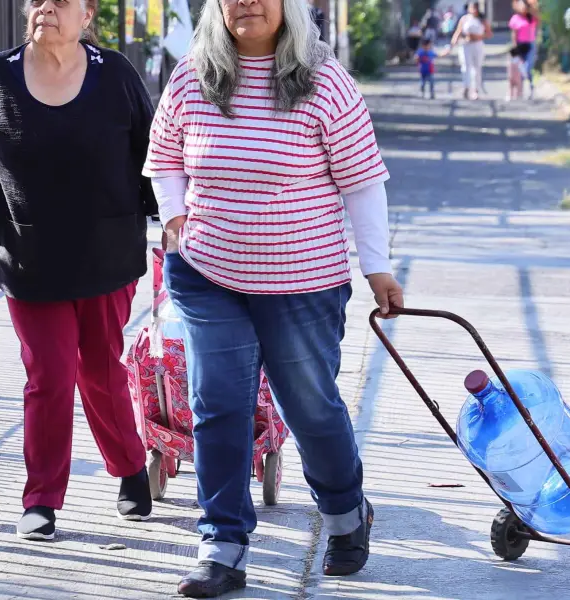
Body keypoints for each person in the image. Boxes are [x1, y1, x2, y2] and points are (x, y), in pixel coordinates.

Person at [144, 0, 404, 596]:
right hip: (208, 272)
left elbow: (363, 182)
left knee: (306, 405)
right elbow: (164, 159)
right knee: (220, 405)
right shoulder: (194, 74)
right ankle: (223, 544)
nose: (246, 2)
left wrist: (377, 269)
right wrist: (176, 214)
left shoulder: (323, 79)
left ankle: (345, 514)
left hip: (302, 281)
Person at [0, 0, 159, 541]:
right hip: (28, 257)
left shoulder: (115, 75)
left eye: (61, 1)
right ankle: (41, 497)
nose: (45, 7)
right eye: (37, 0)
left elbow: (154, 153)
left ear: (87, 16)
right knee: (49, 374)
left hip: (105, 253)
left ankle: (130, 468)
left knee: (100, 369)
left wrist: (177, 219)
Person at [452, 2, 491, 100]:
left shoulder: (482, 20)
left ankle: (476, 89)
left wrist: (478, 36)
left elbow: (489, 34)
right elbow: (458, 31)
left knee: (477, 68)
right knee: (465, 66)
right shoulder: (464, 19)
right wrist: (453, 41)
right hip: (466, 45)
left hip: (477, 45)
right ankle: (466, 87)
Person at [508, 0, 540, 97]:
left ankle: (531, 87)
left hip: (530, 45)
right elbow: (514, 34)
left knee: (528, 68)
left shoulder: (532, 18)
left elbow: (538, 17)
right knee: (518, 68)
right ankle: (519, 91)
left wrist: (531, 7)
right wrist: (515, 47)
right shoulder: (515, 18)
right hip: (519, 45)